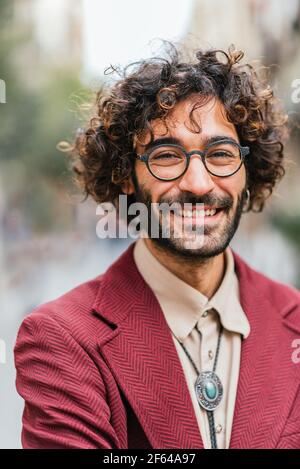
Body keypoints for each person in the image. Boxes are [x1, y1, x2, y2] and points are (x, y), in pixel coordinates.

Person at [14, 43, 300, 449]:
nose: (199, 185)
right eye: (166, 156)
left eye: (221, 154)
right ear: (126, 175)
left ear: (247, 172)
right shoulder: (61, 340)